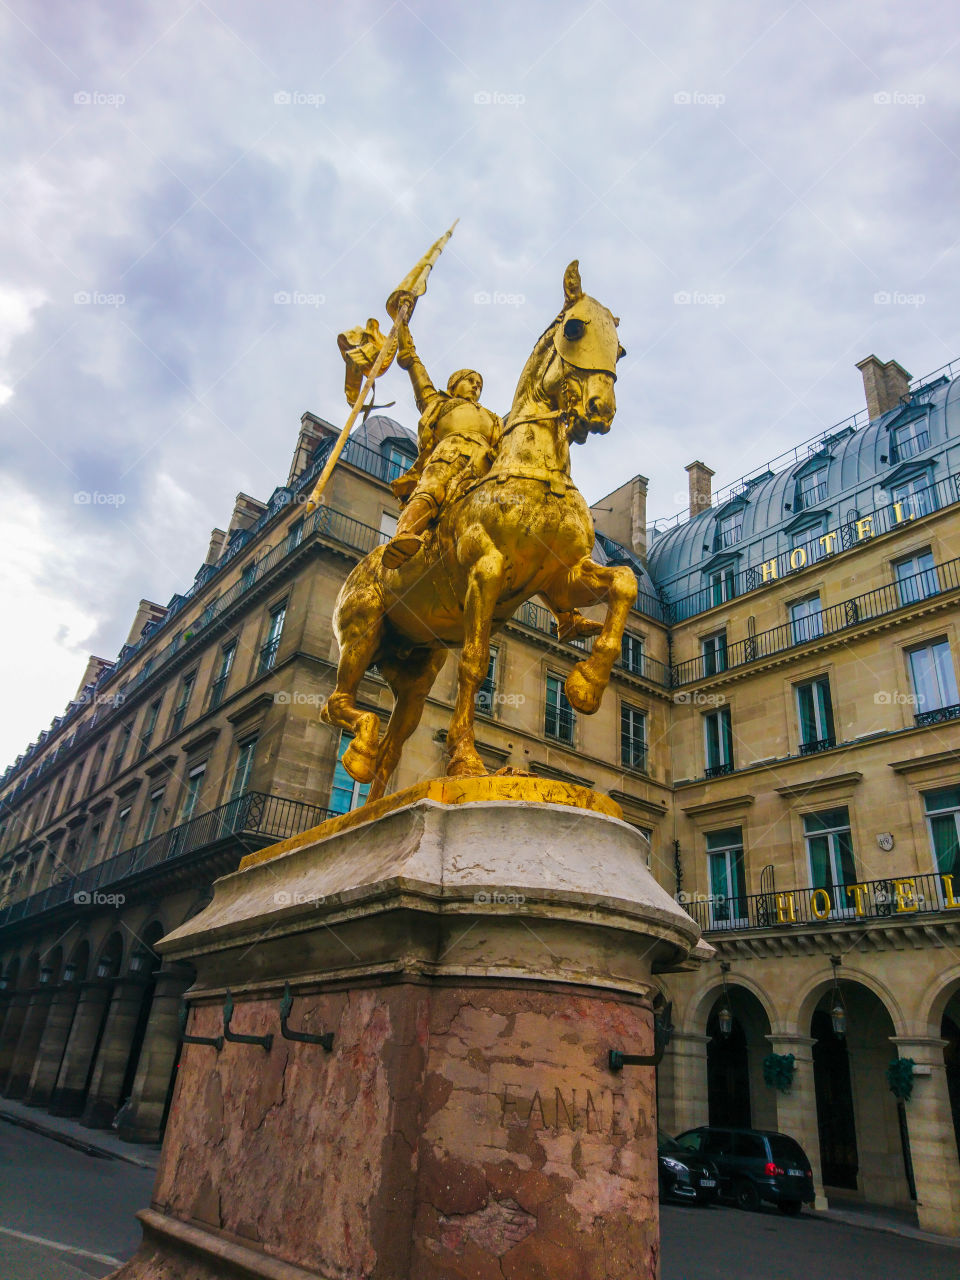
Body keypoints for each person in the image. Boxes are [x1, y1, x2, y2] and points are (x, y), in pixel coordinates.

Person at [383, 320, 503, 569]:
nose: (476, 387)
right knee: (433, 487)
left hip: (485, 465)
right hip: (449, 455)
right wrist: (403, 331)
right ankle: (404, 535)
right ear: (453, 384)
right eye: (470, 381)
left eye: (479, 385)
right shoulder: (438, 402)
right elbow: (415, 367)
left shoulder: (492, 417)